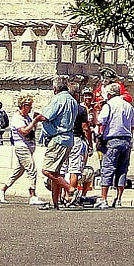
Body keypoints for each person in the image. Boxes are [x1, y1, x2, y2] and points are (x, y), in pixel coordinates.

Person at [36, 78, 79, 209]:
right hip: (68, 138)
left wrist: (37, 117)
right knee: (56, 172)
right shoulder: (72, 100)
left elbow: (47, 116)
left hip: (58, 138)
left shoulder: (58, 99)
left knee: (47, 170)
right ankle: (55, 202)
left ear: (55, 89)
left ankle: (70, 189)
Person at [94, 81, 134, 209]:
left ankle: (104, 198)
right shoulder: (129, 106)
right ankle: (118, 199)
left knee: (108, 168)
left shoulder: (109, 105)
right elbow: (133, 125)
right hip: (127, 140)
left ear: (110, 94)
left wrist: (96, 112)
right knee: (122, 170)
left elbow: (100, 121)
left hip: (113, 139)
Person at [0, 95, 41, 204]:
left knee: (18, 171)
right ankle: (32, 195)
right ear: (23, 106)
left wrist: (34, 122)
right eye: (28, 106)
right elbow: (24, 131)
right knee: (32, 169)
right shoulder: (17, 118)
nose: (30, 108)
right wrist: (34, 121)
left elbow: (31, 129)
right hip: (21, 146)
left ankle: (2, 190)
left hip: (29, 146)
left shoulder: (27, 117)